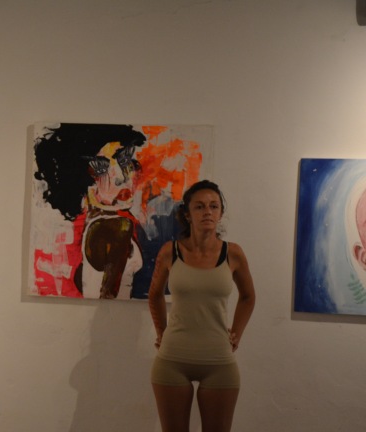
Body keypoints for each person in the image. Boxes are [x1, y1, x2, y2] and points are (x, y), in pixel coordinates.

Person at [148, 180, 255, 432]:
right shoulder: (170, 251)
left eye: (213, 206)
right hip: (172, 359)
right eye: (199, 206)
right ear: (188, 214)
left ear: (220, 213)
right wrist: (161, 333)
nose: (207, 212)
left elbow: (248, 297)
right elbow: (154, 295)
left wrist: (236, 333)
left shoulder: (233, 253)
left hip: (219, 360)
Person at [34, 123, 146, 299]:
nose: (120, 177)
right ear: (80, 180)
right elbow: (108, 299)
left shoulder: (94, 224)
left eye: (124, 159)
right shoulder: (118, 227)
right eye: (101, 168)